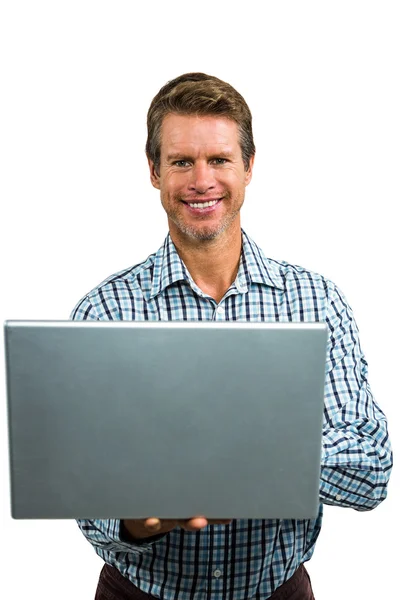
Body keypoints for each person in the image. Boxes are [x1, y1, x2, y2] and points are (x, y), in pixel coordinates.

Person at [71, 72, 393, 600]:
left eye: (219, 160)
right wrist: (134, 522)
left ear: (249, 167)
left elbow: (368, 468)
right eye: (181, 161)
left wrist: (253, 461)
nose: (202, 180)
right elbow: (83, 490)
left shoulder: (315, 304)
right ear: (154, 171)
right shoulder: (105, 312)